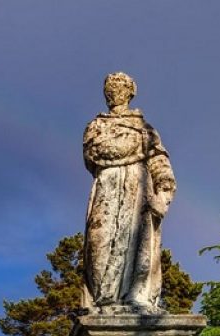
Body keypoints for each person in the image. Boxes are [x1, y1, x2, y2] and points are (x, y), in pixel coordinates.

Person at [82, 72, 175, 311]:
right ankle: (105, 297)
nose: (114, 93)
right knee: (99, 240)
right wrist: (131, 149)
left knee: (137, 242)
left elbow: (159, 161)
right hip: (107, 189)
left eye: (119, 88)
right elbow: (93, 153)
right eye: (109, 89)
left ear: (130, 92)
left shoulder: (144, 128)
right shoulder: (96, 125)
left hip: (138, 189)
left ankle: (135, 296)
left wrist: (163, 194)